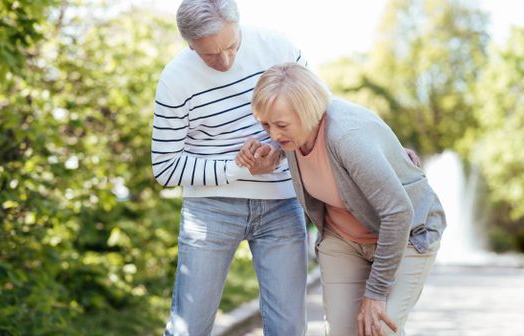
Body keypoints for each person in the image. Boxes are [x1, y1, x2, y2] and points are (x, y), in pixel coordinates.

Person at [238, 63, 446, 336]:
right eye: (266, 125)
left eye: (281, 125)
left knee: (380, 329)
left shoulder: (346, 136)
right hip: (344, 239)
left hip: (408, 234)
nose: (274, 133)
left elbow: (398, 213)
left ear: (308, 112)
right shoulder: (295, 133)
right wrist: (272, 150)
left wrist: (375, 292)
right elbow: (290, 140)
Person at [151, 1, 310, 335]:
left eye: (231, 46)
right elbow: (165, 167)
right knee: (188, 328)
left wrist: (277, 151)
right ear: (188, 43)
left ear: (239, 24)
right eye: (209, 54)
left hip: (281, 204)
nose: (225, 61)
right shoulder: (174, 79)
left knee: (289, 328)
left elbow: (316, 115)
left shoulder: (279, 47)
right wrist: (238, 169)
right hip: (210, 211)